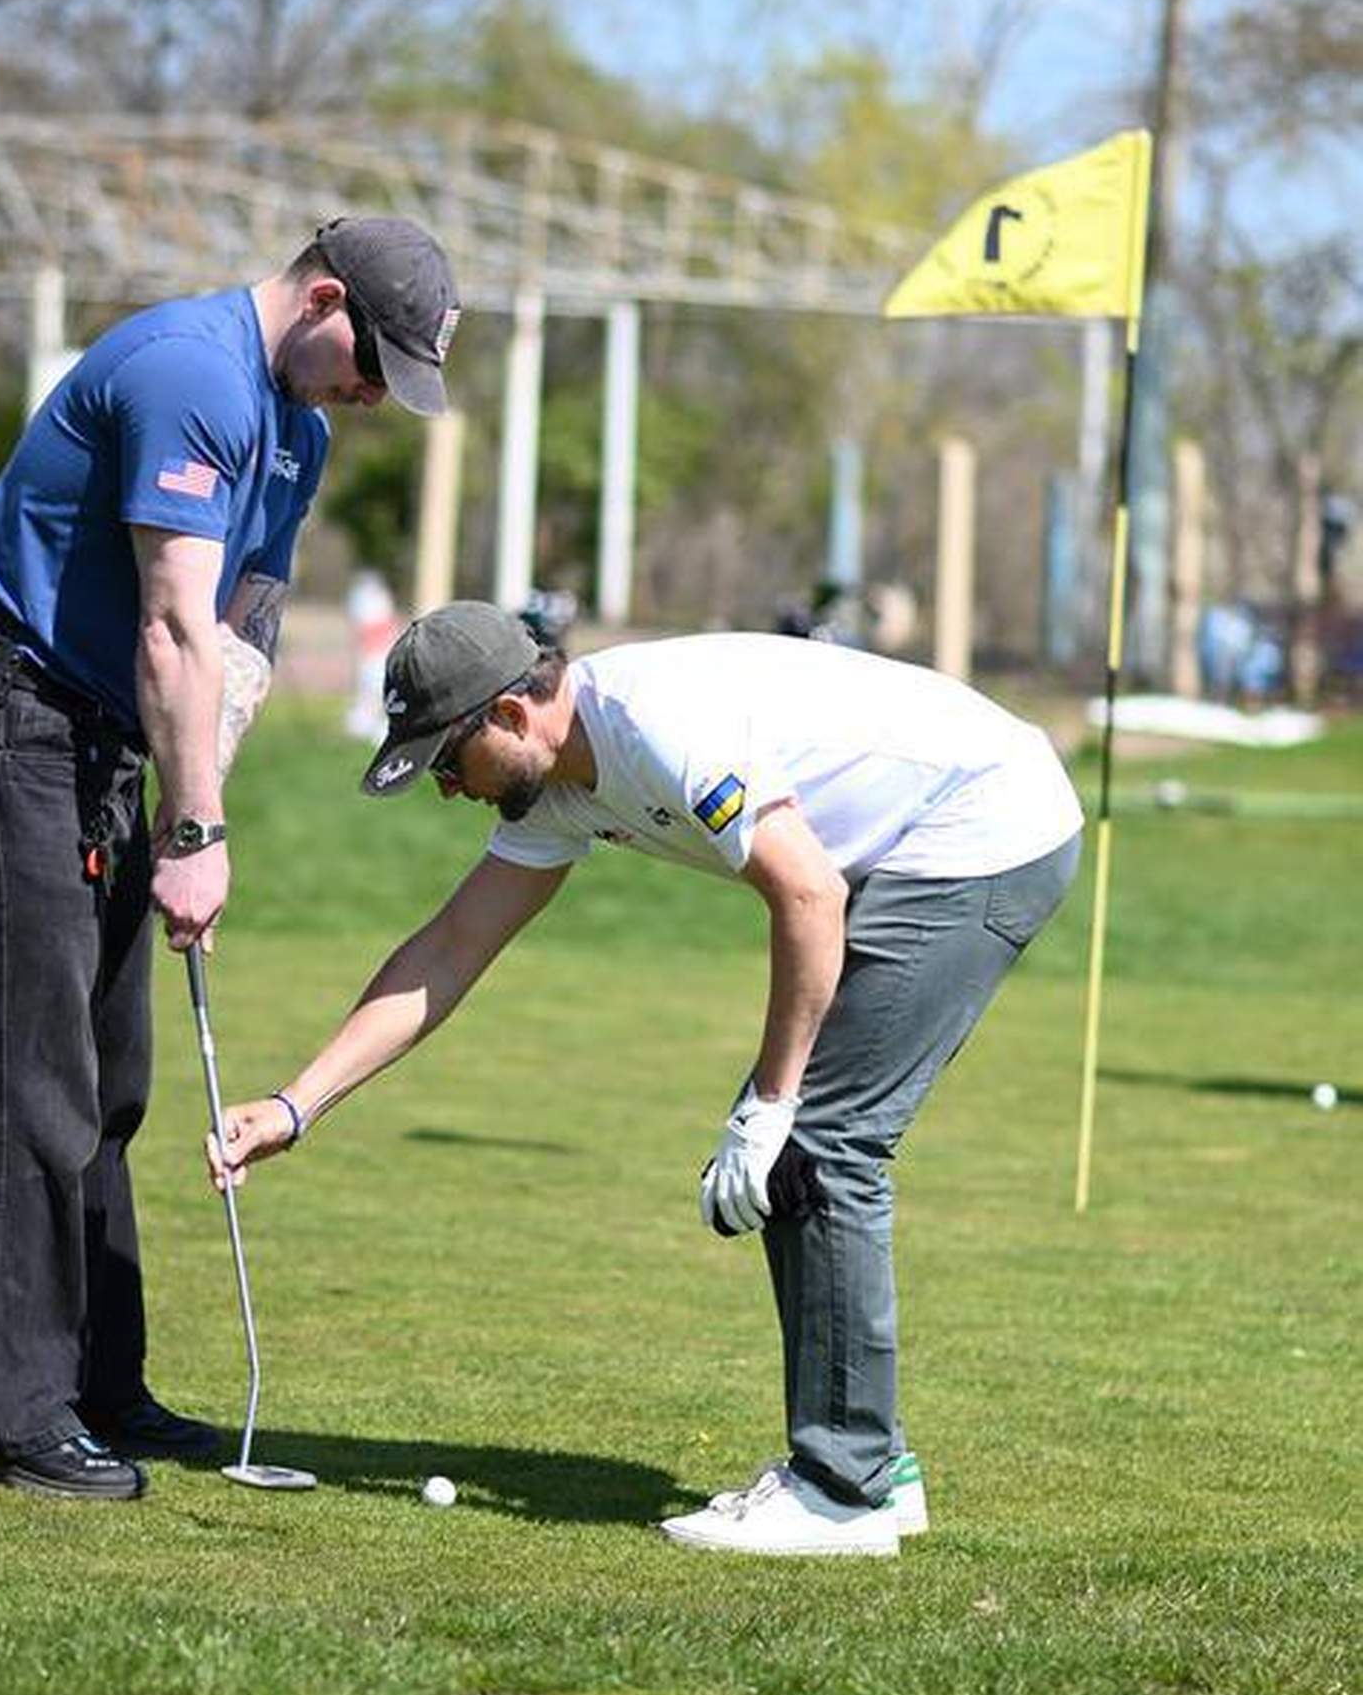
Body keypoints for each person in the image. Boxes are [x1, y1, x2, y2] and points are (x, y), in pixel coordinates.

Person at [208, 601, 1083, 1557]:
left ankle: (846, 1488)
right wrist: (299, 1103)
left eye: (447, 761)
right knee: (803, 1141)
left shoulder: (655, 729)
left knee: (821, 1143)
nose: (449, 790)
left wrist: (768, 1103)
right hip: (911, 839)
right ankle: (875, 1469)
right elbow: (451, 949)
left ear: (509, 715)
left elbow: (808, 893)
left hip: (983, 824)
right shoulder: (552, 785)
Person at [0, 218, 460, 1501]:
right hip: (1, 731)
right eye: (375, 364)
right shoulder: (192, 373)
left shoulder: (295, 427)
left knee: (108, 1083)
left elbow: (243, 629)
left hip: (97, 757)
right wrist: (196, 833)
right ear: (324, 299)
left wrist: (201, 793)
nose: (373, 398)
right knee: (17, 1078)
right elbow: (166, 625)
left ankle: (92, 1383)